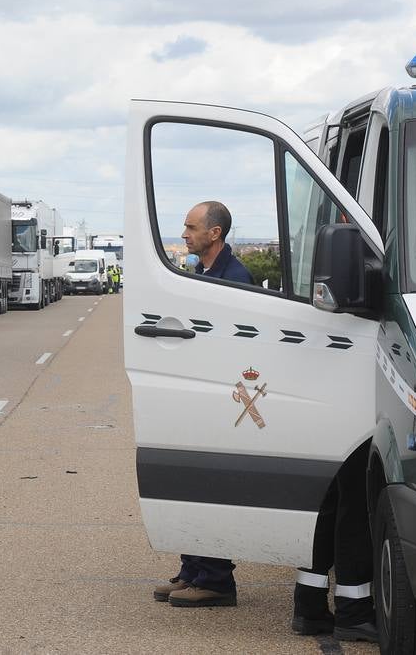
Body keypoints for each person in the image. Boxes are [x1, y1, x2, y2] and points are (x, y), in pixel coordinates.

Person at [154, 201, 254, 608]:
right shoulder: (204, 273)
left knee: (210, 488)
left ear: (215, 233)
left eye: (191, 227)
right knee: (189, 485)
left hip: (220, 399)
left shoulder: (235, 279)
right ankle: (193, 569)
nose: (184, 234)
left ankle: (216, 580)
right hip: (198, 396)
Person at [291, 442, 376, 641]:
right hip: (358, 430)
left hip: (330, 431)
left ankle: (309, 606)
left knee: (327, 501)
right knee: (356, 505)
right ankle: (353, 612)